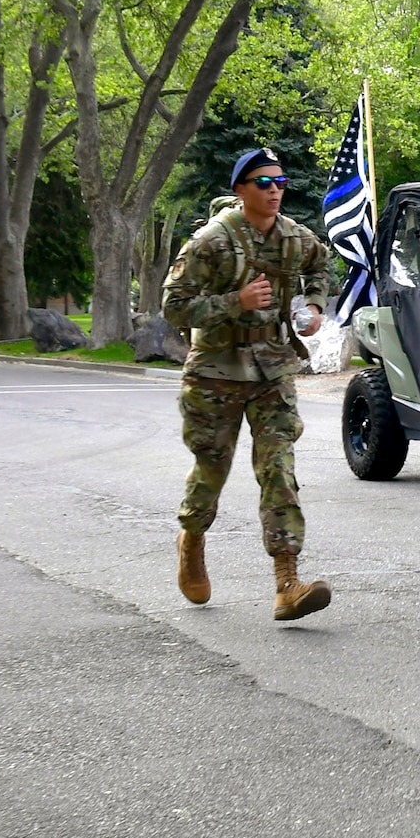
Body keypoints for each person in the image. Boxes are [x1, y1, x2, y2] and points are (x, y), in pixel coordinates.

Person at [162, 148, 335, 622]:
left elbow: (321, 266)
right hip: (216, 369)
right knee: (211, 472)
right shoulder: (211, 241)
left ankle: (287, 583)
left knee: (278, 469)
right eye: (263, 182)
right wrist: (234, 302)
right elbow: (174, 307)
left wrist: (314, 308)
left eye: (280, 182)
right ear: (241, 190)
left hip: (272, 370)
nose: (275, 189)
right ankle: (191, 540)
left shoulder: (294, 238)